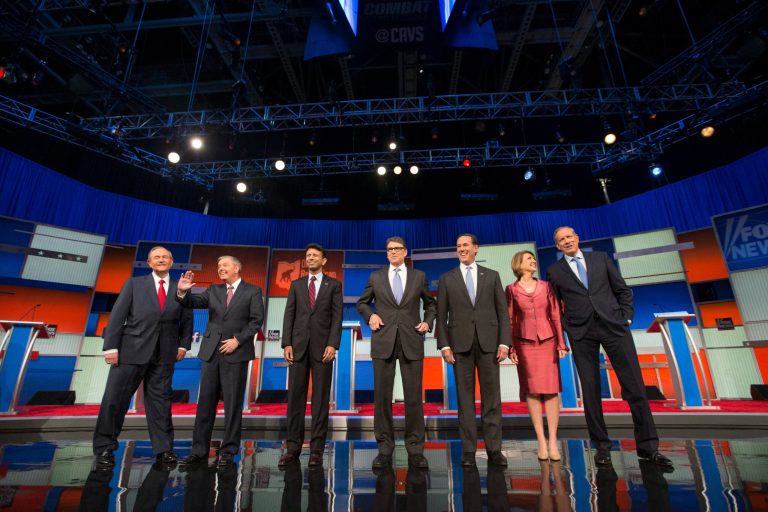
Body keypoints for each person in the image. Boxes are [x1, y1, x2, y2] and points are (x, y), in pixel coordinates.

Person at [546, 226, 672, 468]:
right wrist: (568, 327)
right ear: (557, 246)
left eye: (569, 237)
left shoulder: (600, 259)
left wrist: (625, 318)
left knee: (634, 386)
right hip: (582, 333)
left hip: (614, 327)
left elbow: (622, 290)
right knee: (591, 391)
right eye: (561, 240)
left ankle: (648, 447)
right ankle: (602, 447)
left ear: (577, 238)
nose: (566, 241)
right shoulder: (554, 271)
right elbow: (554, 306)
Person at [93, 246, 192, 468]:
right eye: (156, 257)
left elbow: (187, 320)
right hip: (130, 351)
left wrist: (184, 346)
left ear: (172, 261)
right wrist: (111, 347)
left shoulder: (181, 288)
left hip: (164, 354)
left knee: (161, 404)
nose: (161, 260)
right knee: (114, 401)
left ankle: (164, 449)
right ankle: (104, 449)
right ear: (149, 263)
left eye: (165, 257)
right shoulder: (134, 284)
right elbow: (118, 315)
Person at [176, 255, 264, 468]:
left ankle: (228, 451)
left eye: (224, 265)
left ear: (237, 268)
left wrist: (238, 340)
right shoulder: (214, 290)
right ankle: (199, 451)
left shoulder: (252, 291)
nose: (220, 269)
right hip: (211, 352)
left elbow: (256, 321)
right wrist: (183, 291)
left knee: (233, 405)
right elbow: (192, 303)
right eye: (218, 266)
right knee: (205, 404)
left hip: (236, 352)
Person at [357, 236, 436, 470]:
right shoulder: (376, 276)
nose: (392, 252)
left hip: (411, 340)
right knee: (382, 399)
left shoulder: (418, 276)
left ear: (405, 252)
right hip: (383, 341)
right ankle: (384, 449)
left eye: (397, 249)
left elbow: (431, 304)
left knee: (413, 399)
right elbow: (362, 303)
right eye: (389, 249)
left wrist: (427, 322)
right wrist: (370, 316)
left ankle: (415, 450)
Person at [436, 234, 511, 468]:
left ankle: (494, 450)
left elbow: (502, 312)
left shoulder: (492, 276)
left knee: (492, 399)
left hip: (490, 343)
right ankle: (468, 450)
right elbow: (441, 314)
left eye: (465, 245)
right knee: (464, 399)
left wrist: (504, 342)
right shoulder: (447, 278)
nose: (461, 249)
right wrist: (444, 345)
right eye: (458, 246)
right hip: (459, 345)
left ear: (476, 249)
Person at [278, 243, 343, 469]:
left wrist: (333, 344)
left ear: (324, 260)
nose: (311, 258)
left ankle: (317, 450)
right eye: (308, 256)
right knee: (295, 399)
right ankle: (292, 448)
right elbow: (289, 315)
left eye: (315, 255)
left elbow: (337, 317)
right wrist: (286, 342)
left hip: (323, 349)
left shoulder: (333, 285)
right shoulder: (296, 285)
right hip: (297, 348)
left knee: (320, 401)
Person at [505, 250, 568, 462]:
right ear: (518, 264)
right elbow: (510, 320)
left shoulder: (546, 286)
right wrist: (512, 347)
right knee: (531, 391)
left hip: (548, 341)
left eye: (533, 259)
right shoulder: (511, 289)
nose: (533, 261)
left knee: (551, 391)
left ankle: (553, 441)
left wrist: (561, 342)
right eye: (528, 259)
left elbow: (555, 315)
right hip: (524, 344)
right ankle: (541, 440)